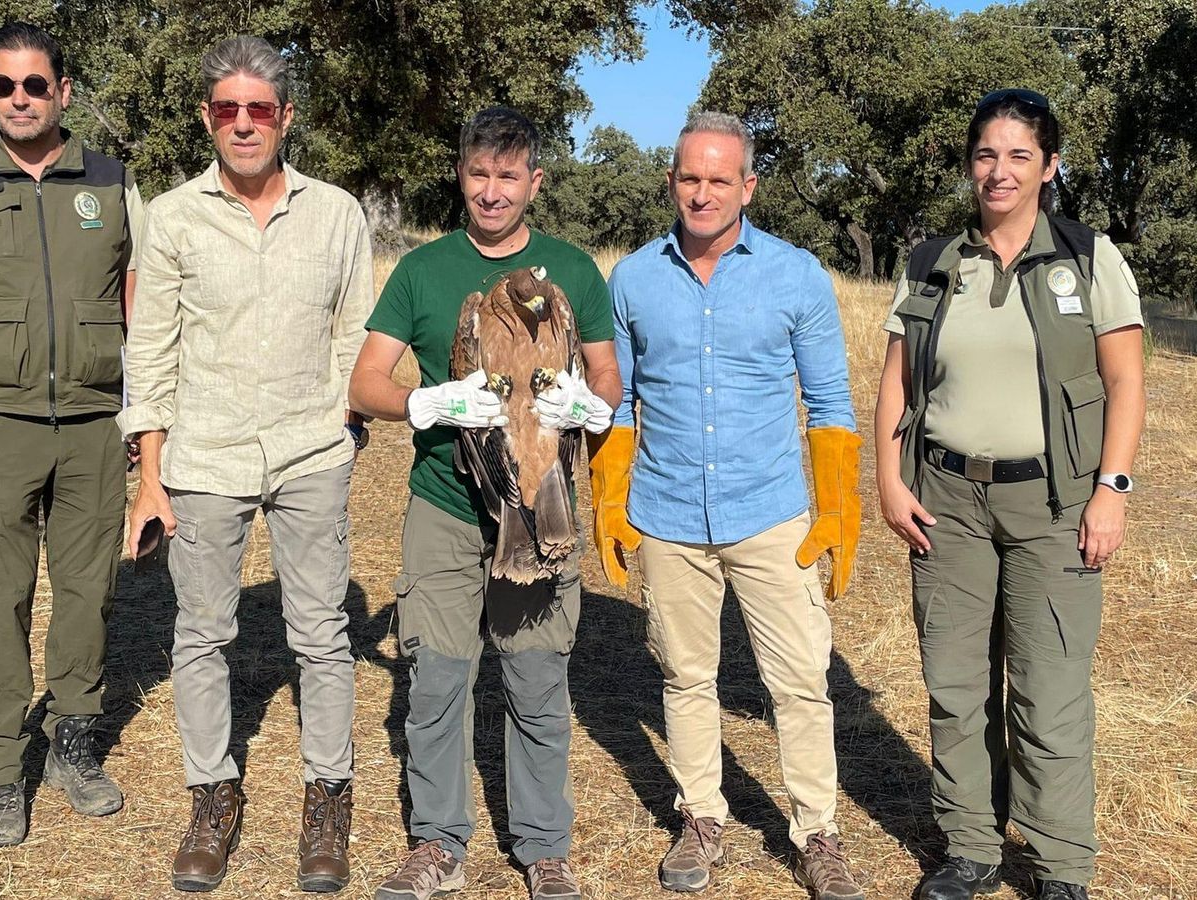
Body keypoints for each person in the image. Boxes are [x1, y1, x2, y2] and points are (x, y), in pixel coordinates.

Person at [118, 35, 375, 894]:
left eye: (258, 109)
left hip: (310, 451)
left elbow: (354, 332)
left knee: (321, 632)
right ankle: (212, 794)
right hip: (204, 453)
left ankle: (327, 798)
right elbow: (151, 352)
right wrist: (150, 478)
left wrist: (342, 425)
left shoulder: (337, 213)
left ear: (285, 117)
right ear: (206, 118)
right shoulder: (171, 218)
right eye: (226, 108)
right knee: (201, 634)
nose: (242, 124)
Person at [874, 89, 1145, 900]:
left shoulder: (1088, 259)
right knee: (956, 686)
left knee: (1048, 691)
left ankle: (1061, 866)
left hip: (1054, 504)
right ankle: (971, 848)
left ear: (1049, 166)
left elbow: (1126, 383)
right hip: (946, 500)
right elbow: (896, 382)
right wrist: (888, 479)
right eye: (986, 154)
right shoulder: (932, 261)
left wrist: (1112, 490)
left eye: (1020, 155)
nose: (1000, 170)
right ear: (970, 164)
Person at [589, 111, 865, 899]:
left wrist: (836, 507)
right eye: (689, 177)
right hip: (668, 512)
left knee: (799, 683)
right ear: (670, 181)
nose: (702, 193)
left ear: (748, 186)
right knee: (685, 677)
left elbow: (830, 403)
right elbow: (619, 400)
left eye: (719, 178)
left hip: (771, 515)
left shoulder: (797, 276)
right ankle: (701, 818)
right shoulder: (632, 279)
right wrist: (610, 497)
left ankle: (816, 833)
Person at [348, 106, 620, 900]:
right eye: (478, 174)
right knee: (436, 680)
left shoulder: (573, 270)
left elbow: (606, 372)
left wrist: (593, 406)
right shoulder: (422, 271)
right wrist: (423, 403)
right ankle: (438, 844)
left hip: (538, 508)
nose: (492, 191)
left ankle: (544, 849)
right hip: (445, 504)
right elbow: (364, 382)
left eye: (508, 176)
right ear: (460, 176)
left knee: (535, 679)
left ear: (535, 181)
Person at [0, 21, 144, 848]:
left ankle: (74, 746)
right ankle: (3, 773)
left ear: (62, 93)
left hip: (92, 425)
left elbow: (140, 308)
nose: (19, 99)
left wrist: (139, 416)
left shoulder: (112, 182)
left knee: (88, 595)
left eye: (34, 85)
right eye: (4, 85)